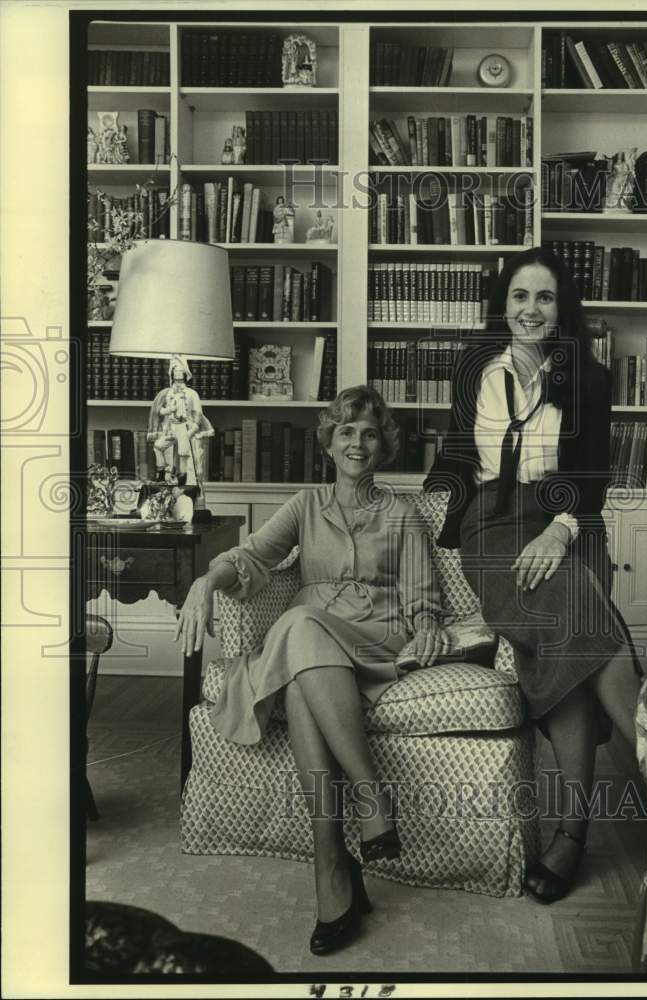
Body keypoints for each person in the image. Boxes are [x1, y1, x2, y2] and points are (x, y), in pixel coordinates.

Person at [175, 386, 447, 953]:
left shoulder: (400, 511)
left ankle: (338, 851)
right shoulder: (305, 505)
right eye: (346, 431)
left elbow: (424, 600)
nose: (358, 442)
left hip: (374, 636)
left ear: (383, 446)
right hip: (313, 645)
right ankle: (340, 853)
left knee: (300, 630)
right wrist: (207, 580)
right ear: (329, 442)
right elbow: (250, 558)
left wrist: (427, 629)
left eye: (369, 432)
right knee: (303, 657)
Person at [424, 247, 643, 904]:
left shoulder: (590, 379)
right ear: (504, 304)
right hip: (490, 530)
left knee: (571, 632)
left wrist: (559, 528)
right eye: (520, 296)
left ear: (561, 307)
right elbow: (458, 460)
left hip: (566, 518)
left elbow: (591, 479)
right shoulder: (474, 370)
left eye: (544, 297)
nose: (531, 309)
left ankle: (572, 832)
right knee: (579, 623)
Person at [148, 355, 214, 484]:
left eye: (180, 370)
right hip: (170, 429)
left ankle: (183, 480)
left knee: (183, 454)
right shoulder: (167, 393)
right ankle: (162, 471)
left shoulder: (191, 394)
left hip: (184, 427)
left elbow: (198, 416)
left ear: (184, 373)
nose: (178, 373)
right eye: (175, 370)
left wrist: (190, 433)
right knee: (157, 446)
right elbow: (159, 411)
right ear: (172, 373)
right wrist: (169, 410)